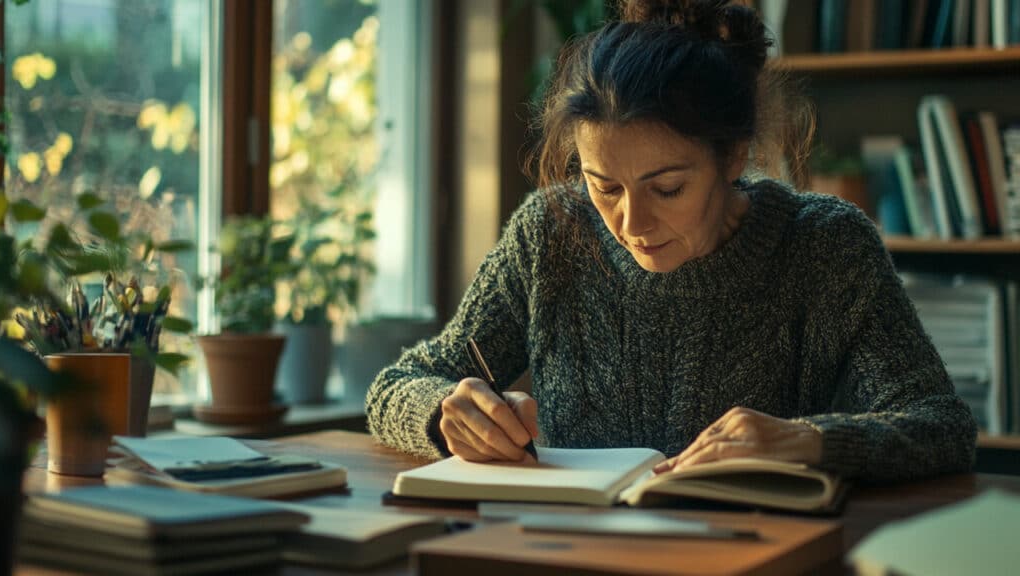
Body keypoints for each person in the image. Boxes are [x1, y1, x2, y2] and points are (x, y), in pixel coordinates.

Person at [365, 0, 976, 482]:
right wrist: (446, 413)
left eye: (668, 189)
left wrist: (810, 441)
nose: (631, 223)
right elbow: (395, 386)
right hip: (567, 553)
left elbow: (941, 426)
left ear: (734, 156)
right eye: (604, 187)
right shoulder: (549, 232)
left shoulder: (824, 247)